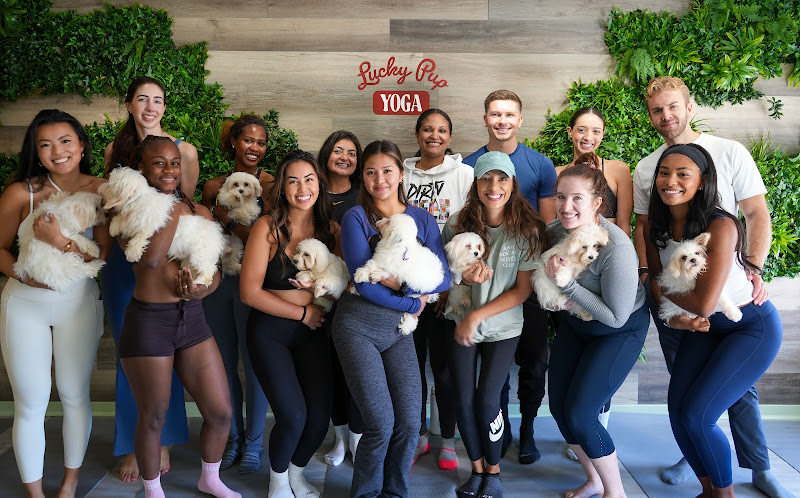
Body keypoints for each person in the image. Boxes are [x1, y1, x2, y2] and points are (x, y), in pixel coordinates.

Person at [632, 76, 790, 498]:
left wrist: (753, 266)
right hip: (688, 311)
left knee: (721, 401)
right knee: (686, 408)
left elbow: (756, 213)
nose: (666, 116)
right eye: (656, 110)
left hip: (734, 310)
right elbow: (645, 230)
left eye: (673, 106)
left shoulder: (727, 166)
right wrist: (654, 284)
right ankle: (708, 476)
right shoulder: (648, 168)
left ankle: (756, 468)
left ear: (689, 105)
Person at [114, 135, 237, 498]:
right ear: (142, 168)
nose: (169, 170)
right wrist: (167, 204)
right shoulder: (128, 211)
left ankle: (209, 479)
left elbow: (213, 272)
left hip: (193, 318)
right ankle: (153, 490)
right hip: (149, 321)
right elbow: (151, 258)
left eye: (174, 163)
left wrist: (202, 289)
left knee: (220, 410)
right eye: (159, 163)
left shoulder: (199, 211)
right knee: (153, 415)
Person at [331, 140, 450, 498]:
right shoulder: (356, 217)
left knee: (410, 423)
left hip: (397, 334)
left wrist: (398, 283)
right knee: (381, 423)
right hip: (358, 329)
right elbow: (364, 284)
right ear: (363, 178)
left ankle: (395, 492)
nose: (379, 179)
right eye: (370, 172)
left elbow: (443, 276)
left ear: (401, 173)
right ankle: (366, 493)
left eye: (387, 171)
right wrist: (413, 303)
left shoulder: (422, 218)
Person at [0, 109, 109, 498]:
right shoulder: (20, 192)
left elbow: (105, 257)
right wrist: (22, 275)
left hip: (77, 302)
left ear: (81, 145)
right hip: (24, 303)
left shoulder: (104, 190)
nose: (57, 151)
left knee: (75, 393)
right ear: (37, 152)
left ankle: (69, 484)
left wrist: (59, 241)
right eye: (45, 145)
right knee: (30, 400)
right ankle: (35, 494)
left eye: (65, 141)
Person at [102, 76, 200, 481]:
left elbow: (188, 209)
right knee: (132, 355)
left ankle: (163, 441)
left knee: (167, 351)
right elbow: (112, 210)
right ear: (129, 105)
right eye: (142, 99)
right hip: (124, 263)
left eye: (157, 100)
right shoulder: (115, 150)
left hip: (167, 263)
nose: (150, 107)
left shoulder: (185, 150)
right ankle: (132, 442)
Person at [444, 151, 545, 498]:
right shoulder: (458, 224)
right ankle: (475, 469)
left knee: (488, 401)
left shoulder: (527, 230)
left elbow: (521, 291)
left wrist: (478, 314)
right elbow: (446, 281)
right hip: (461, 322)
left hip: (502, 327)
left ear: (513, 184)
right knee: (462, 398)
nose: (494, 186)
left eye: (502, 178)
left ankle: (494, 471)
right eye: (486, 178)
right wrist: (463, 281)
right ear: (476, 184)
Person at [463, 89, 557, 463]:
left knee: (534, 360)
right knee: (493, 366)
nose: (502, 121)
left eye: (509, 115)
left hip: (527, 278)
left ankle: (529, 428)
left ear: (519, 120)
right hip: (485, 282)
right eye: (495, 114)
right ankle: (497, 426)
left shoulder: (540, 165)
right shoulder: (468, 165)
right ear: (485, 118)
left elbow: (548, 227)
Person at [546, 161, 649, 498]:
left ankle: (615, 492)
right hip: (578, 326)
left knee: (582, 412)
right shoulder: (556, 230)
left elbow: (615, 317)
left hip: (618, 330)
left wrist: (568, 287)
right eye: (561, 197)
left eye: (577, 198)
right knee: (560, 409)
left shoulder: (616, 248)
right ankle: (594, 480)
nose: (566, 206)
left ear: (597, 203)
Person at [239, 150, 335, 498]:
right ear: (282, 188)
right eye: (292, 180)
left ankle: (295, 473)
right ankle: (277, 482)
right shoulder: (267, 228)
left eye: (308, 179)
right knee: (293, 416)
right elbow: (249, 292)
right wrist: (302, 313)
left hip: (313, 335)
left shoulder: (331, 229)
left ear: (319, 185)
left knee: (318, 418)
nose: (302, 187)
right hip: (271, 332)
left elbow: (341, 284)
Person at [200, 114, 274, 474]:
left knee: (256, 364)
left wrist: (228, 220)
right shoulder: (212, 186)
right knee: (224, 365)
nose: (255, 148)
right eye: (248, 141)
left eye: (261, 142)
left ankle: (255, 442)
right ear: (233, 142)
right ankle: (232, 438)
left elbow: (270, 242)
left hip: (255, 284)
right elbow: (206, 238)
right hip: (218, 283)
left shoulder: (274, 186)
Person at [402, 108, 474, 470]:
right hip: (408, 289)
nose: (435, 135)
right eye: (427, 129)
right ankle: (417, 438)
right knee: (410, 368)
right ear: (417, 135)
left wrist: (449, 285)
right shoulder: (401, 173)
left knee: (445, 370)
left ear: (450, 136)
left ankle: (447, 438)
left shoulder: (466, 175)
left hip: (449, 289)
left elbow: (471, 232)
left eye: (442, 130)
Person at [316, 130, 364, 467]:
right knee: (329, 370)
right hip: (319, 296)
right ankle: (339, 438)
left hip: (357, 295)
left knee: (356, 371)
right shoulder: (312, 193)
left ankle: (359, 441)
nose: (344, 157)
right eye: (337, 151)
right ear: (326, 155)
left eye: (351, 152)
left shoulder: (364, 196)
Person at [557, 107, 632, 236]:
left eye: (596, 131)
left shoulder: (618, 170)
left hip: (608, 247)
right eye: (581, 130)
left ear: (602, 134)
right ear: (570, 131)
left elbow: (624, 226)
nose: (588, 137)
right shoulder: (557, 173)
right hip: (569, 247)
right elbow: (554, 224)